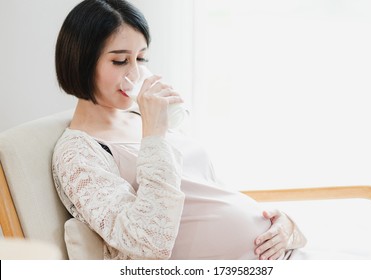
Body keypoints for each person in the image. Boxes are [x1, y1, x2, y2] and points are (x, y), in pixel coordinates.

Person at [52, 0, 306, 260]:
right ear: (81, 61)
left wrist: (286, 227)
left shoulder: (143, 116)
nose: (136, 73)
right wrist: (153, 136)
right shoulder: (78, 155)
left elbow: (210, 194)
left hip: (282, 256)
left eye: (141, 58)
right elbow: (147, 241)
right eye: (120, 61)